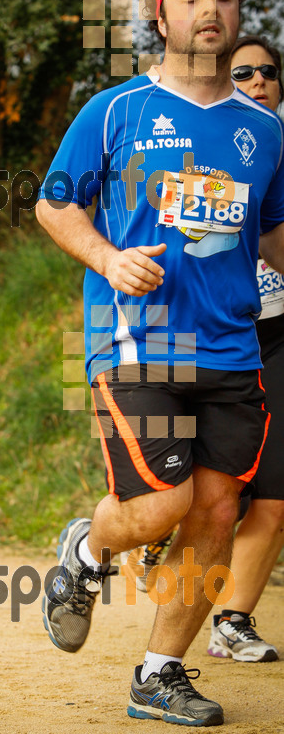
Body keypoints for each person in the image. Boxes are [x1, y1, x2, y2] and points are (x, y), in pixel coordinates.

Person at [36, 0, 284, 727]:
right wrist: (107, 257)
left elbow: (274, 235)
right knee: (158, 507)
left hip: (233, 347)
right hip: (139, 341)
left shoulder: (264, 131)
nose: (208, 7)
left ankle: (158, 673)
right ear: (161, 12)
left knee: (216, 514)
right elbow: (54, 203)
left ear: (238, 11)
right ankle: (86, 547)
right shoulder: (114, 110)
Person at [131, 35, 284, 665]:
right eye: (241, 70)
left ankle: (231, 620)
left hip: (271, 335)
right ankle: (144, 536)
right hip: (183, 334)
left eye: (267, 72)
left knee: (269, 497)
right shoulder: (180, 131)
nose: (254, 80)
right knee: (186, 496)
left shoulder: (271, 143)